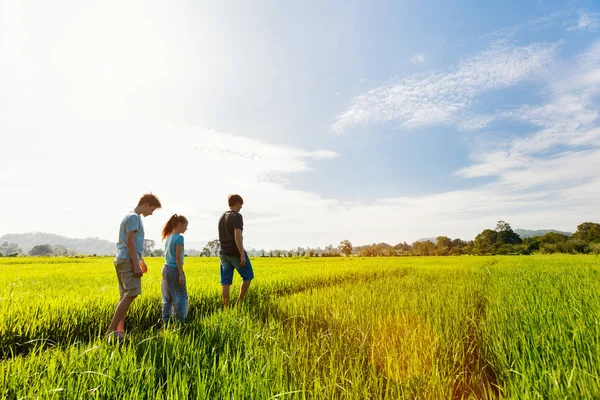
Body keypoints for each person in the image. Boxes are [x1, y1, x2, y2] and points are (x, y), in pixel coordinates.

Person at [106, 193, 161, 341]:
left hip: (124, 259)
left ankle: (119, 333)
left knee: (125, 296)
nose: (151, 213)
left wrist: (140, 260)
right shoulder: (134, 218)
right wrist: (136, 265)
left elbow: (132, 242)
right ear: (146, 205)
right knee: (131, 294)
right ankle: (110, 331)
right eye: (152, 210)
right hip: (127, 260)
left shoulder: (129, 216)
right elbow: (130, 242)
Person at [218, 194, 254, 308]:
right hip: (235, 252)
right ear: (238, 203)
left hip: (223, 252)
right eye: (241, 204)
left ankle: (226, 308)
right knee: (248, 277)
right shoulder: (237, 216)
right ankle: (239, 303)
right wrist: (242, 254)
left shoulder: (222, 216)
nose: (241, 207)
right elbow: (237, 235)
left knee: (226, 282)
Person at [161, 214, 189, 324]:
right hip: (174, 270)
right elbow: (178, 257)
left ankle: (166, 323)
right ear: (180, 225)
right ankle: (180, 323)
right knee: (180, 298)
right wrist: (181, 273)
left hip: (166, 269)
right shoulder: (179, 237)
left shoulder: (169, 237)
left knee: (167, 298)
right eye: (186, 226)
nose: (186, 228)